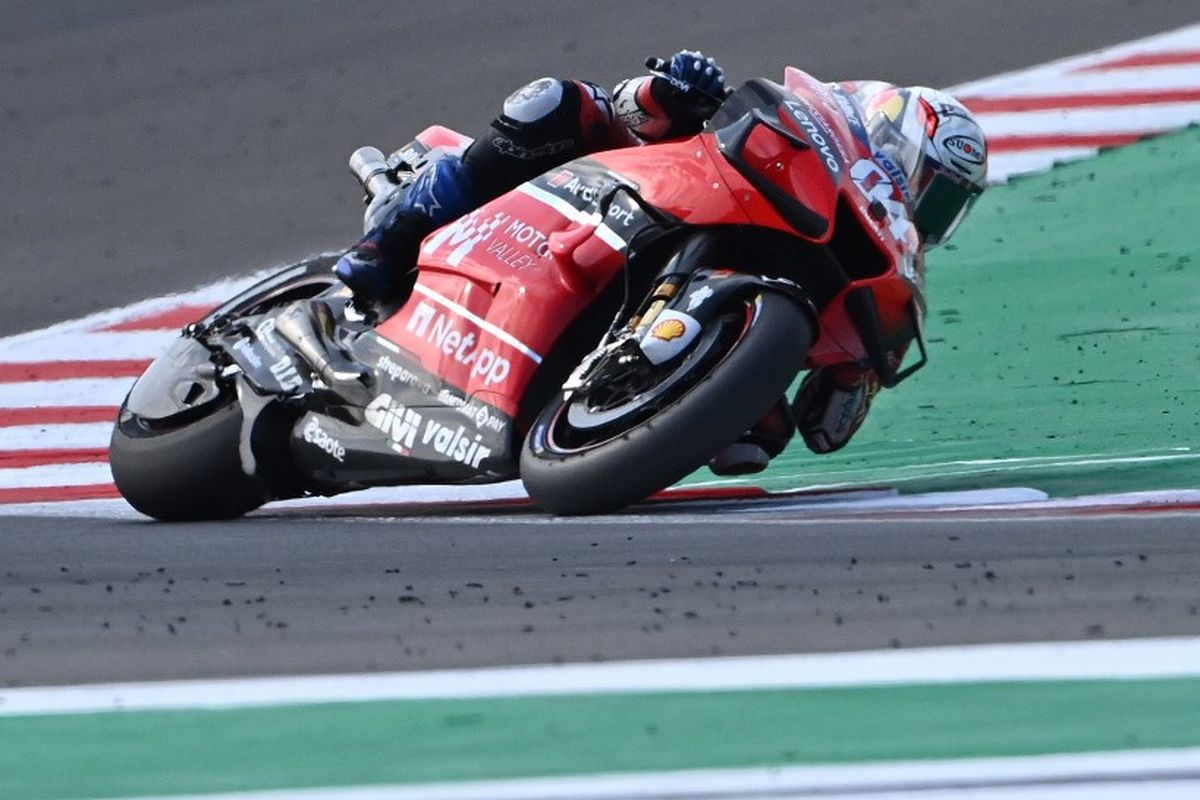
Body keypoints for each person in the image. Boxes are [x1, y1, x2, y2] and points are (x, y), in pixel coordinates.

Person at [335, 51, 989, 474]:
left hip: (665, 363)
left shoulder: (886, 274)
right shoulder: (791, 135)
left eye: (944, 207)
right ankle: (388, 239)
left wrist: (859, 378)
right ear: (889, 134)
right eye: (928, 183)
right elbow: (643, 110)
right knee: (552, 104)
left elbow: (825, 432)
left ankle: (627, 406)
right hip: (609, 200)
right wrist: (666, 91)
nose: (924, 210)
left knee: (755, 441)